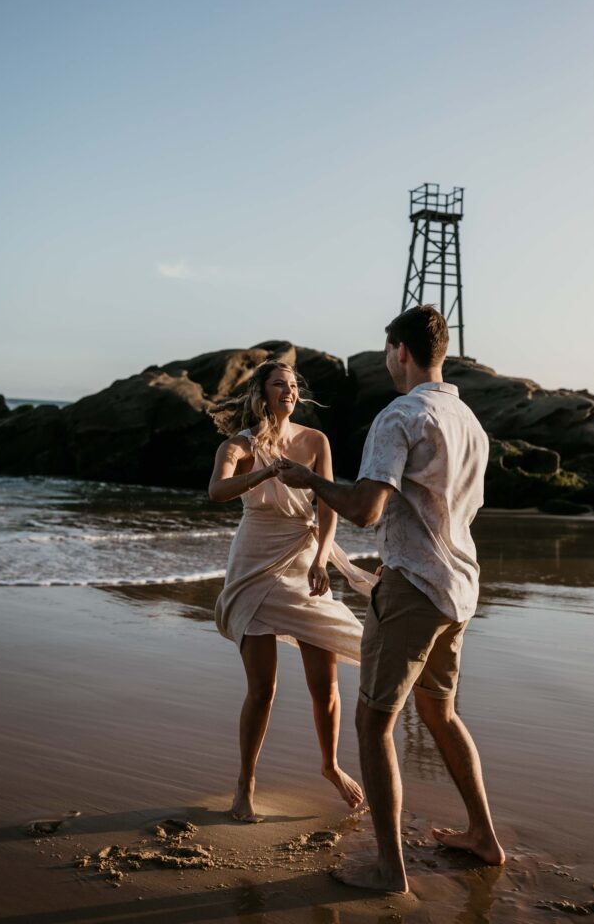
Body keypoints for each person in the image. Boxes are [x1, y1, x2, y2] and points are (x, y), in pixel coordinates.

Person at [277, 306, 505, 893]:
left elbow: (366, 509)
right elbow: (450, 510)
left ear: (399, 350)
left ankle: (389, 869)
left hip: (413, 589)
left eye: (387, 351)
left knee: (374, 721)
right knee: (439, 710)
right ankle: (483, 837)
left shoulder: (399, 415)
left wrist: (312, 483)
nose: (386, 360)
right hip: (460, 587)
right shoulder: (469, 422)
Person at [208, 359, 376, 822]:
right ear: (261, 392)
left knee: (325, 684)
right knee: (263, 688)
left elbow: (327, 506)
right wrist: (262, 472)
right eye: (279, 384)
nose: (289, 391)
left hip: (303, 562)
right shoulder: (238, 444)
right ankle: (246, 784)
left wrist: (323, 559)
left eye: (293, 385)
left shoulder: (315, 441)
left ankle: (330, 765)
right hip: (254, 566)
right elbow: (217, 490)